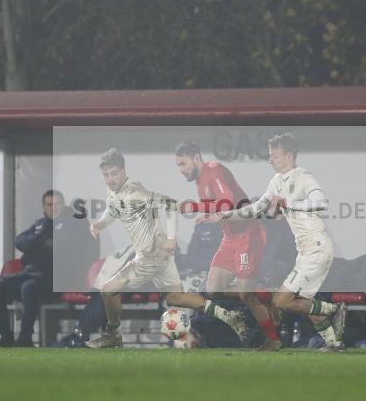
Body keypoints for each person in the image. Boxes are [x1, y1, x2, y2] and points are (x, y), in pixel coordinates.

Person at [86, 149, 247, 349]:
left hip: (150, 257)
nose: (110, 179)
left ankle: (113, 335)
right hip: (159, 255)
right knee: (175, 297)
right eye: (106, 174)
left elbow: (170, 204)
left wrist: (171, 238)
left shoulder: (135, 191)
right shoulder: (113, 191)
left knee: (108, 291)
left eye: (114, 173)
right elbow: (113, 209)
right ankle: (228, 316)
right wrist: (99, 225)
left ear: (123, 170)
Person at [200, 133, 347, 352]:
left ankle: (333, 310)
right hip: (306, 251)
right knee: (303, 302)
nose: (270, 161)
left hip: (316, 248)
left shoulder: (303, 176)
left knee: (281, 302)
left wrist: (289, 202)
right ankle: (335, 343)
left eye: (274, 156)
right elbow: (255, 209)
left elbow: (321, 201)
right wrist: (224, 215)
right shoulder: (276, 182)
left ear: (288, 156)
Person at [175, 142, 282, 351]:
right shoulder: (200, 181)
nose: (181, 170)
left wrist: (211, 212)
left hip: (247, 235)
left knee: (246, 295)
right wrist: (194, 206)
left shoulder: (214, 170)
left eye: (182, 164)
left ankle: (274, 338)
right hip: (229, 236)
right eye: (178, 166)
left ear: (196, 157)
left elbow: (228, 200)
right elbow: (216, 204)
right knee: (213, 290)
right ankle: (262, 294)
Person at [0, 190, 64, 347]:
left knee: (28, 288)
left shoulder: (70, 225)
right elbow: (20, 242)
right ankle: (6, 337)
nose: (53, 208)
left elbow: (59, 251)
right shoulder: (40, 225)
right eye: (49, 205)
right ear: (43, 208)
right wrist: (40, 236)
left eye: (57, 204)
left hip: (53, 279)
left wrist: (36, 245)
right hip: (30, 274)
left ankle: (25, 337)